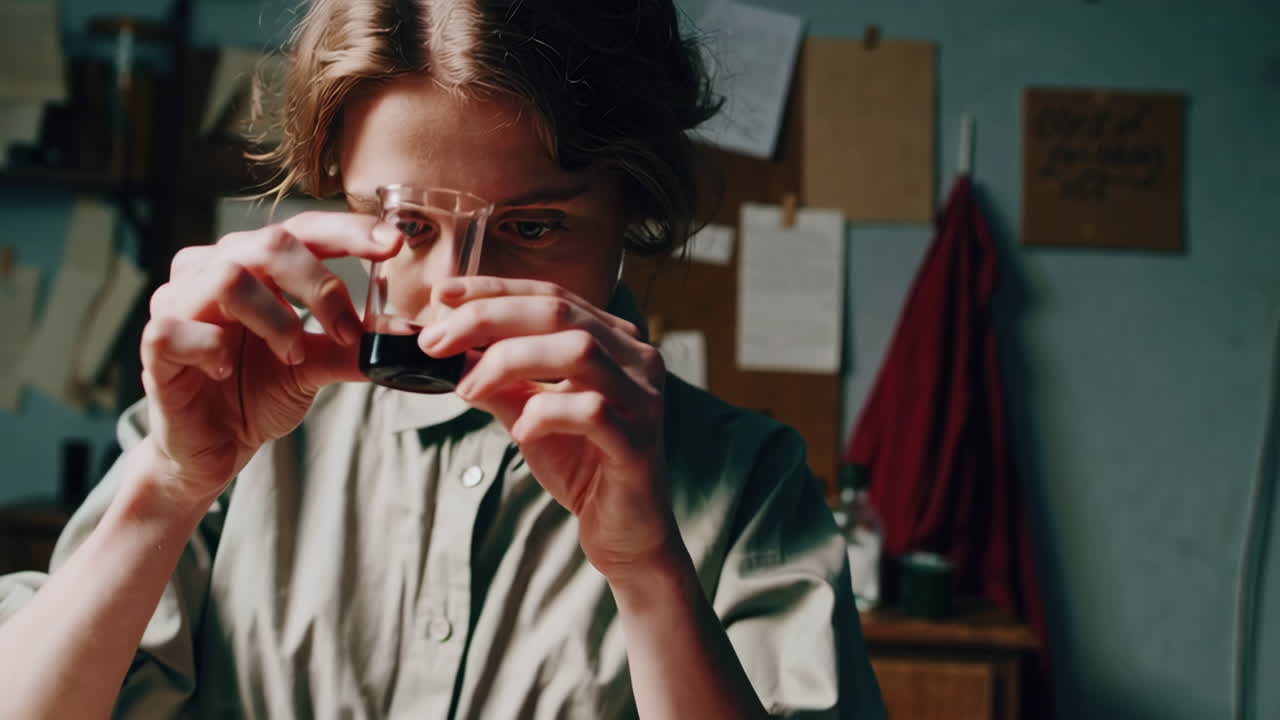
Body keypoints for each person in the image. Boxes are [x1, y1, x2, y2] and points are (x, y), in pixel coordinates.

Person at [0, 1, 885, 717]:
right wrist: (167, 482)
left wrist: (648, 568)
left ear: (632, 214)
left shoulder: (748, 481)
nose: (448, 292)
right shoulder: (220, 432)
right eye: (404, 227)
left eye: (533, 228)